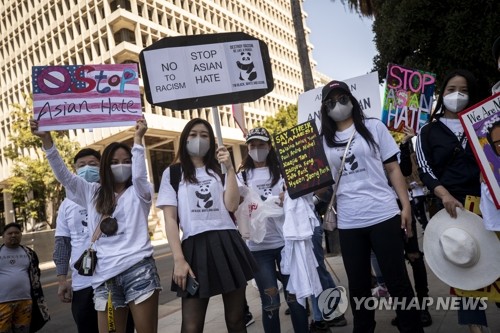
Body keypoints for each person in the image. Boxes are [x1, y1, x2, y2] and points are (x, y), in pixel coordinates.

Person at [31, 118, 161, 333]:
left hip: (139, 271)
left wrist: (138, 139)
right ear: (105, 167)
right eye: (114, 161)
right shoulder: (91, 193)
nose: (122, 165)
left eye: (126, 160)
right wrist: (47, 142)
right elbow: (64, 175)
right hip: (104, 278)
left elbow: (139, 174)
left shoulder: (141, 191)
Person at [320, 80, 423, 332]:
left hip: (383, 215)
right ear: (325, 108)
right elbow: (324, 186)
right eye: (331, 101)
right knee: (358, 287)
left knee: (397, 281)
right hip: (349, 222)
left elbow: (393, 168)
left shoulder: (373, 127)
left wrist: (406, 207)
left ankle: (412, 327)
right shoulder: (322, 141)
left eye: (342, 97)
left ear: (351, 100)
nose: (338, 104)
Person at [156, 118, 257, 333]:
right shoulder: (173, 173)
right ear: (184, 139)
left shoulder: (220, 170)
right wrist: (178, 259)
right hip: (193, 246)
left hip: (228, 242)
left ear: (211, 141)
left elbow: (231, 205)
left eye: (204, 135)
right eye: (193, 135)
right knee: (191, 326)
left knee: (236, 319)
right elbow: (170, 219)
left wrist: (229, 169)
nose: (198, 139)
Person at [415, 69, 486, 332]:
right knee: (465, 261)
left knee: (494, 259)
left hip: (486, 203)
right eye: (451, 90)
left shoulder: (483, 123)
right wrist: (444, 195)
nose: (457, 95)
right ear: (441, 94)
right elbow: (425, 169)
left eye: (464, 91)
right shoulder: (428, 131)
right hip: (451, 207)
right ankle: (475, 327)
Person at [53, 148, 136, 333]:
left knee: (123, 329)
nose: (87, 169)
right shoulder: (66, 204)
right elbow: (62, 243)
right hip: (82, 282)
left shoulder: (119, 195)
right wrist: (61, 280)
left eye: (92, 164)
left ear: (102, 167)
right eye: (81, 166)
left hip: (114, 276)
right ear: (74, 170)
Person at [236, 127, 308, 333]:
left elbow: (303, 198)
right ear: (247, 148)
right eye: (252, 145)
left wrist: (291, 195)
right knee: (270, 302)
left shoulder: (284, 170)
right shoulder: (242, 176)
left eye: (261, 145)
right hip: (259, 249)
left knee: (296, 299)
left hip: (287, 243)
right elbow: (235, 204)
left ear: (269, 146)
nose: (257, 149)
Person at [0, 222, 50, 333]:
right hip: (2, 302)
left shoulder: (29, 253)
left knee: (24, 330)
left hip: (25, 301)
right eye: (10, 233)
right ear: (3, 236)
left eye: (17, 233)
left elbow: (36, 274)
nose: (13, 235)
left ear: (21, 235)